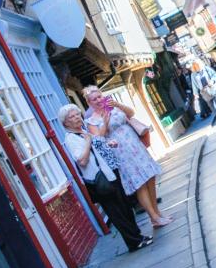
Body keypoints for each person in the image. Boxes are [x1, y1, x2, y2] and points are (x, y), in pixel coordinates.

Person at [59, 104, 151, 252]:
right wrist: (88, 141)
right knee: (117, 214)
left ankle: (138, 237)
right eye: (72, 116)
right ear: (65, 122)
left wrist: (107, 143)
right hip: (99, 181)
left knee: (125, 208)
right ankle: (134, 242)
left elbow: (98, 148)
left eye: (77, 114)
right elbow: (82, 160)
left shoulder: (82, 132)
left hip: (109, 174)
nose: (77, 117)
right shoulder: (71, 139)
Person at [81, 86, 171, 228]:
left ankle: (157, 213)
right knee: (139, 183)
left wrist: (117, 104)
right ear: (89, 103)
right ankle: (153, 217)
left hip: (135, 145)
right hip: (120, 152)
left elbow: (131, 113)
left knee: (150, 177)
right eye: (94, 99)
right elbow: (98, 139)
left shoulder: (114, 108)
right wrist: (105, 121)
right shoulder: (91, 121)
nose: (98, 100)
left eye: (99, 96)